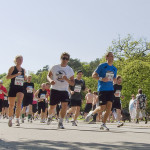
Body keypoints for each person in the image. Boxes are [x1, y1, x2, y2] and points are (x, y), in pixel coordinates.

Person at [85, 52, 117, 131]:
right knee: (102, 107)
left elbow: (114, 79)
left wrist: (114, 81)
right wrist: (102, 79)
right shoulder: (102, 66)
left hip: (110, 89)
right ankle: (92, 113)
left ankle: (103, 124)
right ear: (107, 57)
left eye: (113, 56)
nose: (112, 58)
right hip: (102, 89)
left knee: (109, 107)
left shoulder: (114, 68)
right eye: (111, 56)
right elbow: (93, 75)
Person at [47, 52, 74, 129]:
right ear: (60, 58)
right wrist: (50, 80)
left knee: (64, 106)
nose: (65, 60)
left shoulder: (70, 70)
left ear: (68, 60)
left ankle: (61, 122)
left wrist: (66, 79)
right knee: (52, 106)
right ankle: (49, 116)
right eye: (63, 58)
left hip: (64, 90)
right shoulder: (55, 67)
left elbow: (72, 83)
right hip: (55, 89)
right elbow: (48, 76)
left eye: (66, 59)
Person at [6, 55, 26, 127]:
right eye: (19, 59)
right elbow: (7, 77)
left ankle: (17, 119)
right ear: (16, 60)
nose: (21, 61)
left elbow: (24, 78)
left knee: (19, 103)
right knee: (11, 105)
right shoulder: (12, 68)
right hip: (13, 87)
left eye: (22, 60)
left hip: (20, 88)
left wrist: (25, 78)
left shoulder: (23, 70)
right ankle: (10, 118)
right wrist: (16, 74)